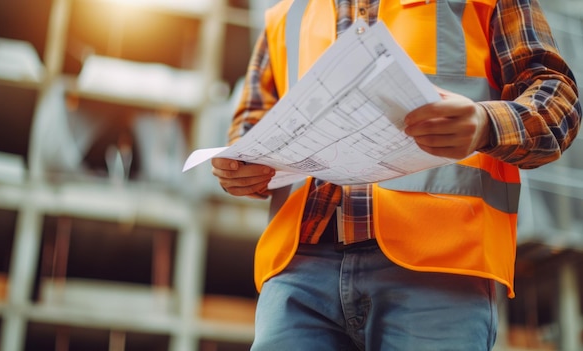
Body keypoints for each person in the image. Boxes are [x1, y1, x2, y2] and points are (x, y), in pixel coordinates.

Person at [212, 0, 581, 350]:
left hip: (440, 265)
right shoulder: (288, 13)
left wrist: (485, 124)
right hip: (299, 272)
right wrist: (240, 169)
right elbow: (249, 127)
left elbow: (558, 101)